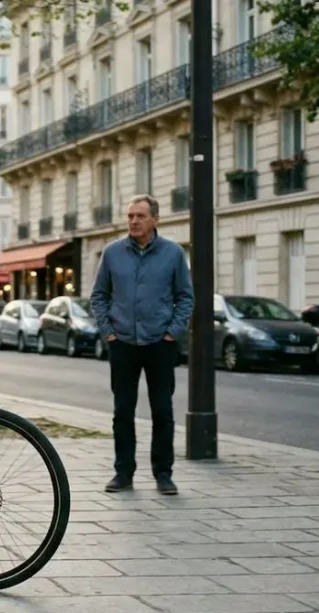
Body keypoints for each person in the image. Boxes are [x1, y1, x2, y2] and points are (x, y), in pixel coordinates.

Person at [89, 194, 195, 496]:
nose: (133, 221)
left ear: (155, 220)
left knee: (163, 411)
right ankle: (123, 473)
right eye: (130, 216)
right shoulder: (112, 253)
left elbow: (185, 297)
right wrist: (108, 332)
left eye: (140, 216)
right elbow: (99, 296)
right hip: (122, 343)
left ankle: (164, 474)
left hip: (160, 343)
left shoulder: (173, 254)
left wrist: (173, 332)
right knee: (122, 411)